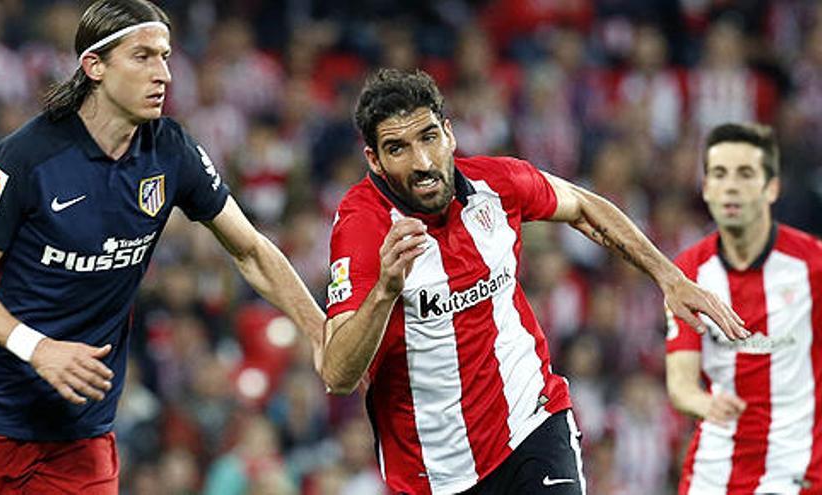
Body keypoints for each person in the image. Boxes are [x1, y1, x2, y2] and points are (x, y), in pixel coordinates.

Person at [0, 1, 325, 493]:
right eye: (142, 57)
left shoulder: (171, 152)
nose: (163, 73)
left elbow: (249, 249)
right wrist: (37, 349)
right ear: (94, 66)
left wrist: (318, 328)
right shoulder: (25, 158)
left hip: (81, 435)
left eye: (165, 57)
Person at [320, 68, 747, 495]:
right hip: (432, 472)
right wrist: (385, 293)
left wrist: (668, 277)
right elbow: (339, 375)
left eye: (429, 137)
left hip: (531, 424)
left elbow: (582, 206)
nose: (423, 163)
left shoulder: (497, 184)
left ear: (449, 134)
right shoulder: (363, 227)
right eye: (398, 149)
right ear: (374, 160)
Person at [665, 123, 822, 494]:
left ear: (772, 188)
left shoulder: (812, 265)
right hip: (715, 472)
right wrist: (705, 403)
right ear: (705, 189)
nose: (730, 186)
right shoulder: (688, 274)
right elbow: (680, 384)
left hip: (799, 470)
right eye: (719, 174)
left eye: (745, 173)